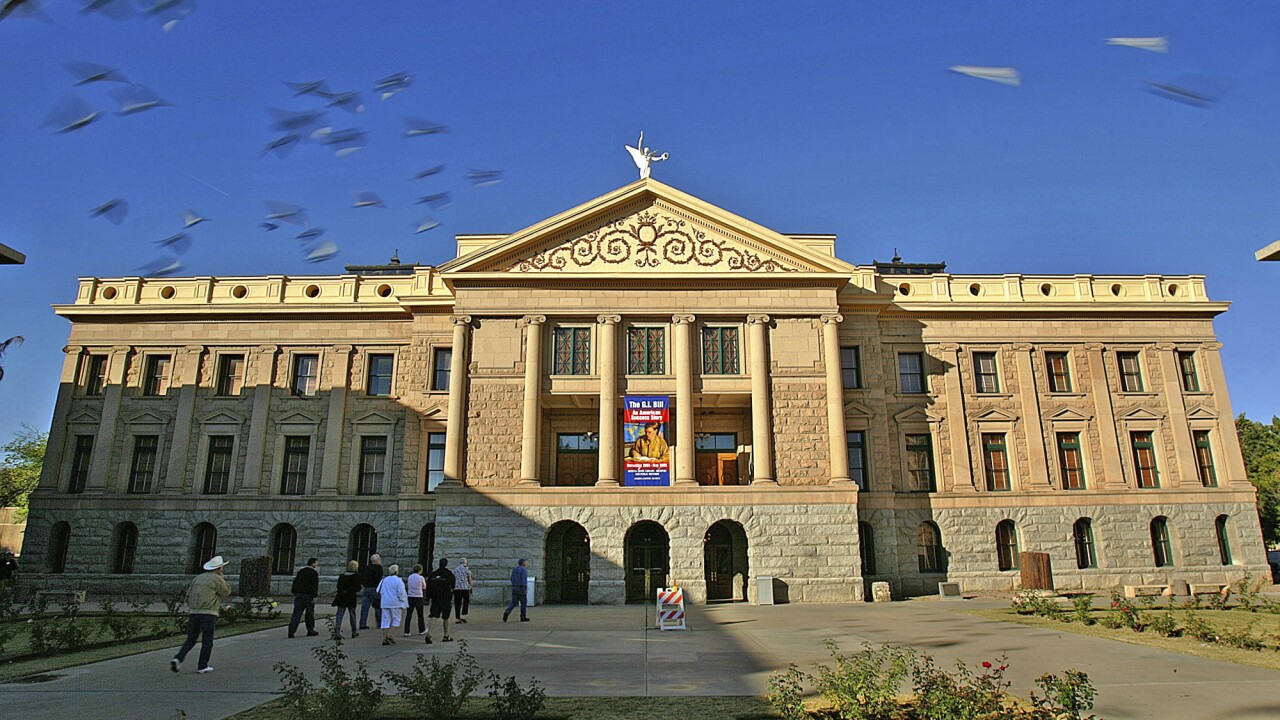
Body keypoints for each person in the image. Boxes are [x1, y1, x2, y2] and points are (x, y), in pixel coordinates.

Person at [169, 555, 232, 674]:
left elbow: (189, 594)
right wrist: (222, 578)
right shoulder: (216, 578)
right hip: (208, 613)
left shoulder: (198, 578)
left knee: (191, 639)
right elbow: (226, 591)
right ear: (219, 569)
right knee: (207, 640)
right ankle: (202, 665)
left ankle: (178, 658)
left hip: (194, 612)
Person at [287, 557, 320, 638]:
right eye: (316, 563)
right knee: (309, 614)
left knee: (296, 614)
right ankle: (310, 630)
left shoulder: (301, 571)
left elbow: (295, 582)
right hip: (308, 596)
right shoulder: (313, 573)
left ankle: (291, 631)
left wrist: (295, 592)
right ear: (313, 563)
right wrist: (314, 596)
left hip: (299, 594)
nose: (317, 564)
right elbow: (314, 586)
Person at [376, 563, 408, 645]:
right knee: (396, 619)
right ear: (397, 571)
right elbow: (401, 592)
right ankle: (390, 634)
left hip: (385, 602)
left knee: (385, 620)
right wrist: (403, 601)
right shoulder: (399, 580)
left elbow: (378, 590)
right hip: (395, 603)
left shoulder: (384, 580)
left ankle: (384, 638)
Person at [426, 557, 455, 643]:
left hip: (435, 599)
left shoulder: (433, 574)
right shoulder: (449, 574)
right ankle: (446, 635)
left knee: (433, 616)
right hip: (445, 599)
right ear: (446, 564)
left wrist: (428, 597)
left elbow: (428, 587)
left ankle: (429, 634)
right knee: (446, 617)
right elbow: (453, 586)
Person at [331, 560, 361, 639]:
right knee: (352, 615)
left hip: (342, 597)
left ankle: (337, 632)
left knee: (339, 615)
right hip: (351, 597)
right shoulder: (356, 576)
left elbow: (339, 587)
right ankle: (354, 632)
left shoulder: (342, 576)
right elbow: (358, 588)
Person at [358, 553, 384, 629]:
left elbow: (362, 577)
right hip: (375, 588)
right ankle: (379, 623)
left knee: (365, 607)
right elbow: (379, 578)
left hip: (366, 588)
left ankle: (362, 623)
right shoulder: (378, 568)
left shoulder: (367, 568)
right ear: (376, 560)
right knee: (378, 606)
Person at [503, 558, 530, 622]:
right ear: (523, 563)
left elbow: (512, 578)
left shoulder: (514, 569)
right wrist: (525, 588)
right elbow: (523, 580)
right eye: (525, 562)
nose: (526, 563)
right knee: (523, 602)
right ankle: (523, 616)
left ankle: (507, 611)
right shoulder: (524, 570)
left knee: (513, 602)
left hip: (514, 587)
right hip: (521, 588)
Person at [405, 564, 426, 637]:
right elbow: (424, 586)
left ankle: (406, 631)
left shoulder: (410, 577)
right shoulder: (421, 577)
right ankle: (421, 629)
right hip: (418, 596)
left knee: (408, 614)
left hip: (410, 596)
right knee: (420, 614)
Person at [452, 557, 473, 624]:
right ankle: (463, 616)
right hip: (465, 588)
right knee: (465, 602)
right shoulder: (467, 569)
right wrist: (471, 586)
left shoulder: (455, 569)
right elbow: (469, 579)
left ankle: (457, 618)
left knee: (457, 603)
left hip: (457, 588)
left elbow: (454, 578)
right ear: (465, 562)